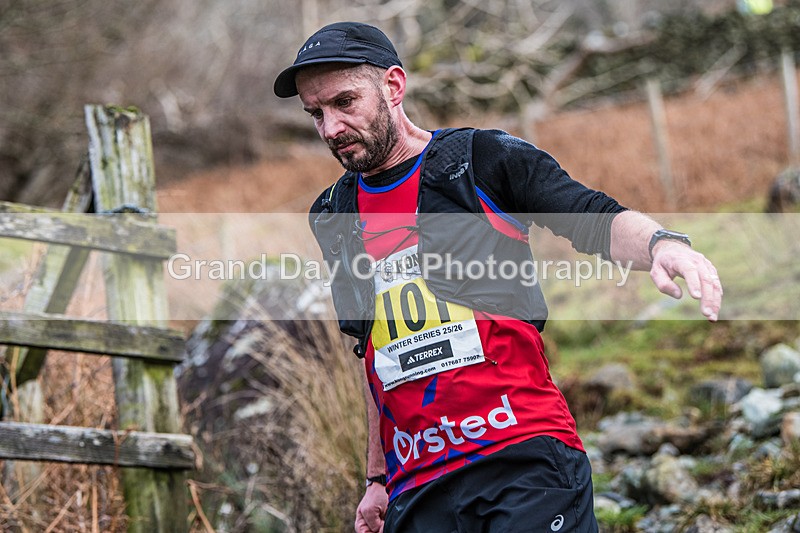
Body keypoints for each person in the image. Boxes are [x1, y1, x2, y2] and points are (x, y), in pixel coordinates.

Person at [274, 21, 722, 533]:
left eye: (344, 103)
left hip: (521, 459)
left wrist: (662, 244)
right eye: (316, 113)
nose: (330, 128)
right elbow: (373, 352)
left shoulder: (481, 160)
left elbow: (590, 213)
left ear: (393, 86)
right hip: (418, 487)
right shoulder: (333, 213)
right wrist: (378, 479)